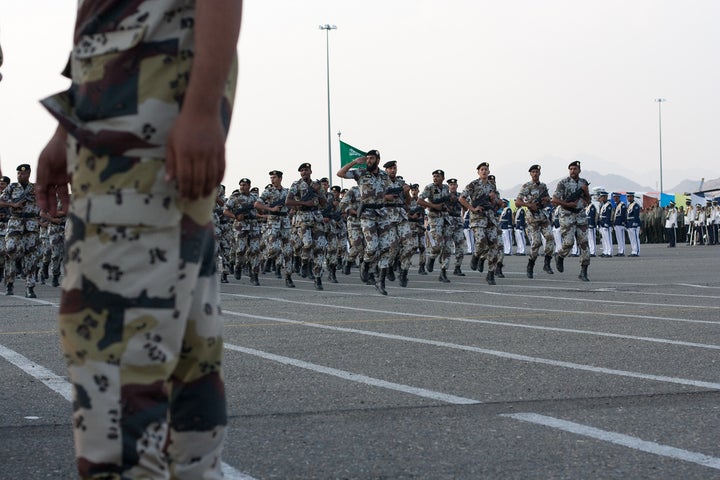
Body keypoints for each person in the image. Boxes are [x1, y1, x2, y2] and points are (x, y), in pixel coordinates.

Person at [35, 2, 243, 478]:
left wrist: (202, 105)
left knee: (112, 352)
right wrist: (67, 128)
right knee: (185, 370)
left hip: (145, 110)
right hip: (122, 106)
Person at [336, 150, 395, 295]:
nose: (369, 161)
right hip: (367, 214)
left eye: (372, 158)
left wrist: (388, 196)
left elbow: (390, 192)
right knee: (373, 246)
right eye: (367, 158)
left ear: (378, 160)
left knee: (386, 247)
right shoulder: (361, 173)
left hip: (381, 213)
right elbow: (340, 173)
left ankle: (380, 281)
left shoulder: (383, 176)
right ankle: (365, 264)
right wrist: (355, 162)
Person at [0, 164, 42, 297]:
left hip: (31, 224)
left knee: (31, 256)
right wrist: (12, 204)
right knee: (10, 249)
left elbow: (47, 204)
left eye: (23, 174)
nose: (20, 176)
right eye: (18, 174)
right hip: (15, 222)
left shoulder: (35, 188)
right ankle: (10, 280)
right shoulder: (11, 187)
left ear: (29, 174)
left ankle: (30, 287)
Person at [459, 162, 502, 285]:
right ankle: (476, 256)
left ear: (488, 172)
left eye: (486, 169)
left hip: (490, 218)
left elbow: (499, 202)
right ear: (478, 172)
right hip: (477, 219)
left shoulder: (492, 186)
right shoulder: (473, 185)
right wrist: (472, 209)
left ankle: (491, 273)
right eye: (482, 169)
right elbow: (461, 198)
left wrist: (494, 198)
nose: (484, 171)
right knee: (481, 242)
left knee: (494, 245)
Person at [286, 163, 328, 289]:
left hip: (316, 217)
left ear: (311, 171)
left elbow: (324, 203)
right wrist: (304, 202)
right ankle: (304, 262)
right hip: (302, 217)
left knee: (320, 248)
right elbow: (288, 201)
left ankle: (318, 278)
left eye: (306, 170)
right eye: (302, 170)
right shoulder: (296, 184)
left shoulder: (317, 185)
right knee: (307, 243)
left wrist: (318, 192)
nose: (304, 172)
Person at [551, 161, 591, 281]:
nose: (573, 171)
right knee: (568, 242)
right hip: (567, 214)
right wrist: (567, 203)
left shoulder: (583, 182)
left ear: (579, 170)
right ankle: (560, 255)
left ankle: (583, 271)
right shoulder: (563, 183)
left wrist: (586, 191)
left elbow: (588, 200)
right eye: (571, 169)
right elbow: (554, 199)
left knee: (584, 243)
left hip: (580, 214)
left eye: (575, 169)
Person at [515, 165, 554, 278]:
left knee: (550, 237)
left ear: (539, 173)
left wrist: (547, 200)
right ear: (530, 174)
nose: (535, 173)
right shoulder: (526, 186)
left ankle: (547, 263)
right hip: (532, 218)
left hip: (542, 215)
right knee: (536, 243)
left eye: (537, 171)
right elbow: (518, 202)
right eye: (533, 172)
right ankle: (530, 264)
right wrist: (529, 205)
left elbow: (548, 200)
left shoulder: (543, 186)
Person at [417, 169, 455, 283]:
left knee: (448, 247)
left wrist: (448, 204)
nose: (435, 178)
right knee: (438, 245)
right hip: (434, 219)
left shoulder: (445, 188)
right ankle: (432, 258)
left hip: (446, 219)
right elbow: (419, 200)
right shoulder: (429, 188)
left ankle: (443, 272)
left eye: (438, 176)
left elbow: (447, 201)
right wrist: (433, 205)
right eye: (434, 176)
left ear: (443, 178)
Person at [626, 192, 641, 256]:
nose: (628, 198)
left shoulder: (635, 205)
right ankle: (633, 251)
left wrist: (635, 223)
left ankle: (636, 251)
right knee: (632, 239)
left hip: (634, 223)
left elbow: (636, 215)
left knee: (635, 238)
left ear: (632, 197)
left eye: (629, 196)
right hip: (629, 223)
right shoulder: (629, 205)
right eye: (627, 196)